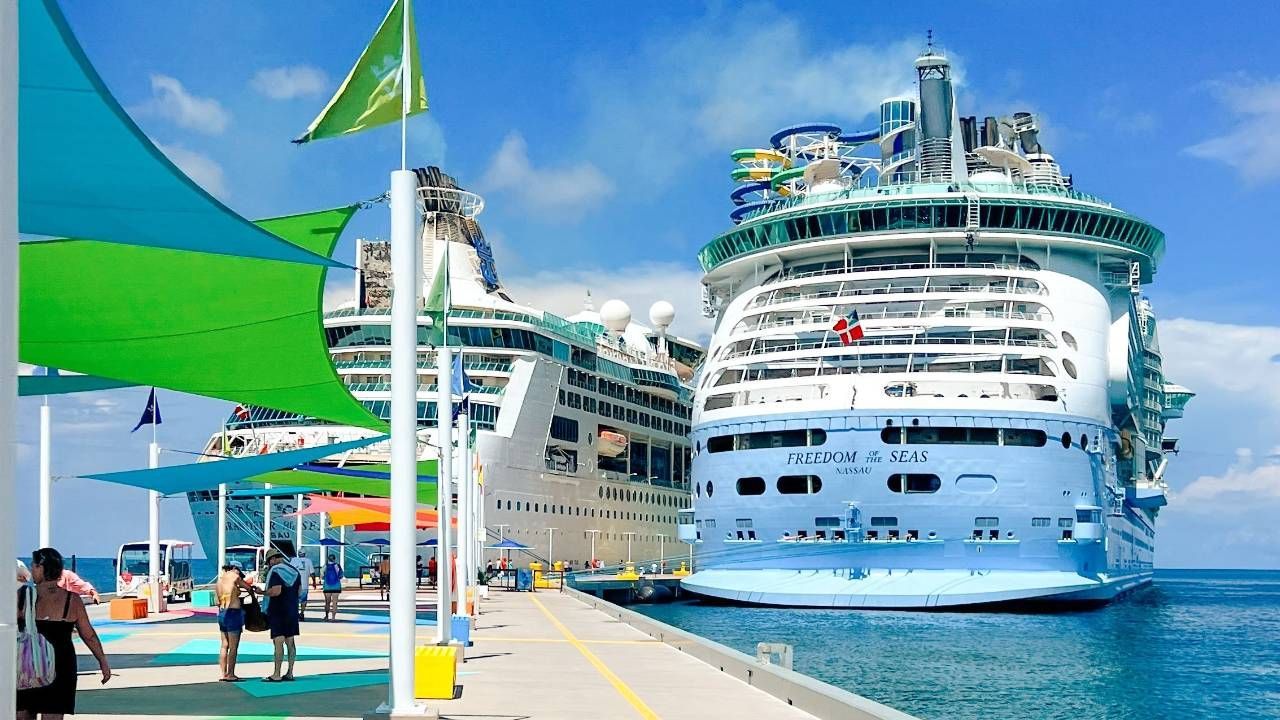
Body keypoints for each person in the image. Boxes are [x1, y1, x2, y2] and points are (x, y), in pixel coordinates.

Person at [17, 547, 112, 719]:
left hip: (27, 663)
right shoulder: (72, 599)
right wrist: (103, 661)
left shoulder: (23, 596)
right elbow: (88, 635)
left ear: (41, 567)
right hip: (61, 665)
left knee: (23, 712)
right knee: (53, 714)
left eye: (33, 565)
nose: (31, 569)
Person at [262, 549, 301, 682]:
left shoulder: (276, 572)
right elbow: (300, 591)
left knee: (278, 642)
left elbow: (276, 591)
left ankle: (276, 674)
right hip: (292, 610)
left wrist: (263, 592)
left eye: (269, 562)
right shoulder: (295, 571)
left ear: (272, 559)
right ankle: (290, 672)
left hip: (278, 610)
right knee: (290, 642)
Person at [215, 561, 255, 682]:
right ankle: (231, 674)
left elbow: (217, 602)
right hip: (233, 613)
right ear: (234, 568)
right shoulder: (234, 576)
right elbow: (248, 588)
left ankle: (223, 673)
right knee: (233, 647)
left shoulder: (219, 580)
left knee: (224, 645)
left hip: (222, 613)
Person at [289, 551, 314, 621]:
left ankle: (295, 613)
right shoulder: (308, 561)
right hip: (304, 585)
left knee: (294, 600)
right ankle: (302, 613)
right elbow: (312, 573)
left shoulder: (294, 560)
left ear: (298, 554)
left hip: (294, 584)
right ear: (305, 554)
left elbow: (289, 570)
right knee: (303, 601)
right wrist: (314, 582)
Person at [321, 554, 343, 622]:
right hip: (336, 586)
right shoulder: (337, 566)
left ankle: (327, 616)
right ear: (334, 559)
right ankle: (333, 618)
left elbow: (322, 576)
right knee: (335, 602)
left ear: (328, 559)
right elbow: (341, 576)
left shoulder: (325, 566)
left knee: (327, 602)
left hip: (327, 586)